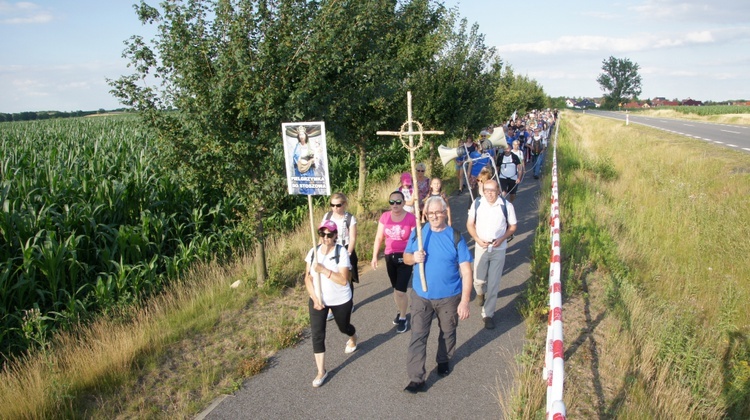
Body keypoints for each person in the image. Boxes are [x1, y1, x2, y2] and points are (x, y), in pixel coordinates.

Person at [402, 196, 473, 393]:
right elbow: (406, 257)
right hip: (421, 295)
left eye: (438, 212)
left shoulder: (455, 236)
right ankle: (416, 378)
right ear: (425, 214)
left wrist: (465, 301)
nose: (434, 216)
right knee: (418, 335)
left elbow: (466, 271)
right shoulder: (418, 233)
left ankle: (443, 360)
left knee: (448, 333)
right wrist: (413, 258)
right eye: (430, 213)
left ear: (444, 213)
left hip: (449, 297)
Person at [304, 220, 357, 388]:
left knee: (344, 327)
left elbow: (343, 280)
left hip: (340, 299)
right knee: (317, 334)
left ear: (335, 236)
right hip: (319, 300)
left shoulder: (341, 253)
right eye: (322, 234)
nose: (325, 238)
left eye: (329, 235)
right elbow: (307, 278)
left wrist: (324, 270)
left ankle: (353, 337)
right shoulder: (313, 252)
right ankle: (321, 371)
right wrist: (314, 298)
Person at [466, 179, 517, 330]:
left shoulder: (506, 206)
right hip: (481, 246)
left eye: (492, 190)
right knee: (478, 280)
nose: (489, 193)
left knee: (493, 283)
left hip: (498, 249)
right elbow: (469, 224)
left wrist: (502, 238)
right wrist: (476, 239)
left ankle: (488, 314)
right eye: (486, 190)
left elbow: (513, 226)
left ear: (498, 191)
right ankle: (480, 293)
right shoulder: (477, 204)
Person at [371, 191, 417, 333]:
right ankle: (400, 310)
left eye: (398, 202)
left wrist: (415, 256)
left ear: (404, 203)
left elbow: (416, 239)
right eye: (392, 202)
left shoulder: (411, 218)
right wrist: (374, 257)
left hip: (405, 257)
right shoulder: (385, 217)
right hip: (389, 257)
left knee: (400, 291)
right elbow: (379, 238)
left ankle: (403, 318)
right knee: (396, 289)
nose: (395, 205)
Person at [321, 192, 358, 321]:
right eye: (332, 205)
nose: (335, 208)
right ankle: (331, 308)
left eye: (338, 205)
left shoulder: (350, 218)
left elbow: (352, 238)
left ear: (344, 204)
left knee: (346, 279)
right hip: (331, 249)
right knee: (331, 277)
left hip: (345, 249)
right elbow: (323, 234)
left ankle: (348, 302)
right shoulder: (328, 216)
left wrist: (348, 253)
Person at [292, 126, 321, 195]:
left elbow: (314, 154)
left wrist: (313, 158)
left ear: (305, 135)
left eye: (303, 134)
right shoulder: (298, 146)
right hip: (301, 167)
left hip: (309, 167)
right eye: (300, 135)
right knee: (303, 183)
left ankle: (310, 193)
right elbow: (295, 156)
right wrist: (301, 158)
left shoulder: (309, 145)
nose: (301, 136)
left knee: (310, 183)